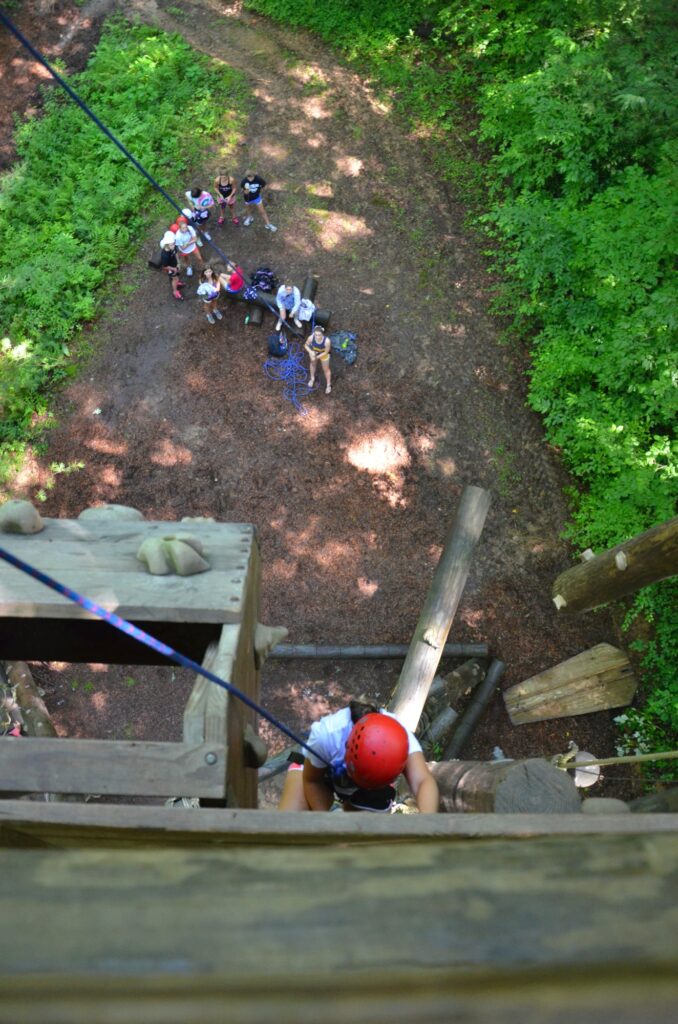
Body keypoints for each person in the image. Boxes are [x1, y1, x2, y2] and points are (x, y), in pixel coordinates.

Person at [278, 701, 439, 813]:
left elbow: (423, 782)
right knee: (287, 830)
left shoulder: (400, 738)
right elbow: (312, 781)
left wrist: (428, 826)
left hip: (370, 788)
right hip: (318, 775)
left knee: (360, 843)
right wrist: (329, 817)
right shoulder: (328, 735)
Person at [305, 324, 332, 394]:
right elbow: (306, 345)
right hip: (314, 352)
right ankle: (312, 378)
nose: (317, 337)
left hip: (323, 354)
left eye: (319, 335)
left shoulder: (327, 341)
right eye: (316, 334)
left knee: (326, 369)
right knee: (313, 364)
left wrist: (316, 357)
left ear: (322, 334)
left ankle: (328, 385)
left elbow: (326, 352)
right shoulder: (311, 337)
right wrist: (311, 352)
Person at [160, 228, 184, 301]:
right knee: (175, 278)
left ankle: (177, 282)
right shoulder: (165, 255)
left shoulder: (173, 247)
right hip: (171, 268)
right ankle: (175, 291)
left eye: (174, 244)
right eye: (171, 245)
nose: (173, 246)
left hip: (175, 265)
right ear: (166, 245)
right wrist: (174, 269)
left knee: (176, 277)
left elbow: (176, 253)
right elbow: (165, 266)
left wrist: (178, 263)